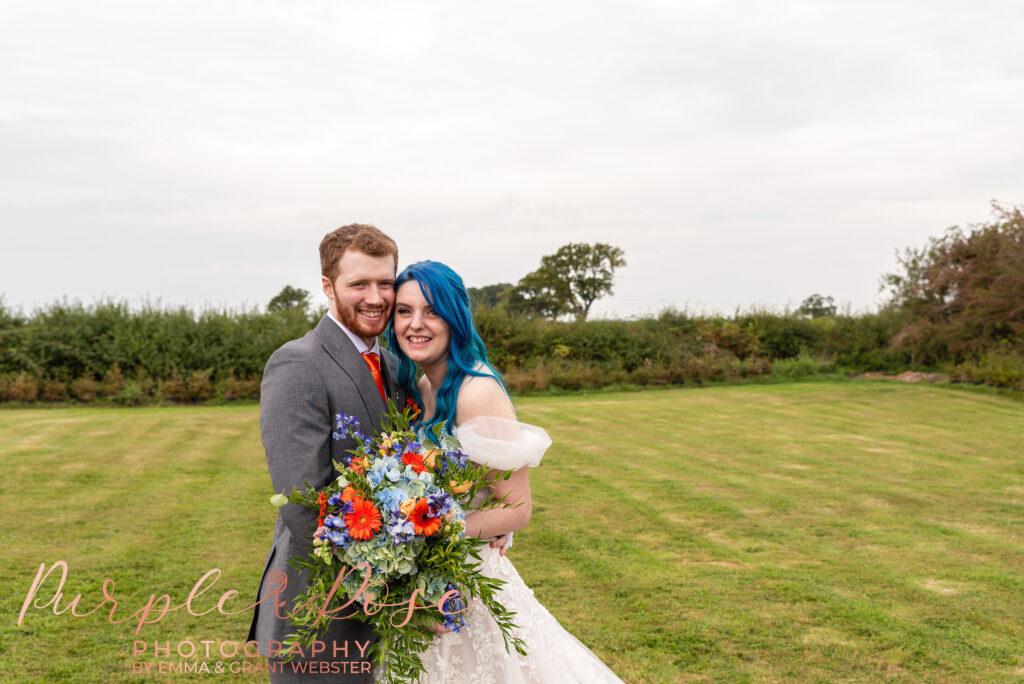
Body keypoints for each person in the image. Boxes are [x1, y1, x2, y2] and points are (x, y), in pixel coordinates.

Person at [386, 260, 625, 683]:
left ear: (455, 317)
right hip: (434, 581)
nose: (415, 324)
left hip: (469, 584)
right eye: (405, 311)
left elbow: (517, 507)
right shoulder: (424, 387)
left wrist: (423, 536)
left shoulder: (477, 390)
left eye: (432, 311)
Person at [247, 224, 410, 683]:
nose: (375, 297)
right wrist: (386, 579)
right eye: (359, 283)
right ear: (327, 287)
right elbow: (303, 500)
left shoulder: (396, 365)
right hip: (321, 613)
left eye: (385, 282)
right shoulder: (298, 362)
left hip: (389, 611)